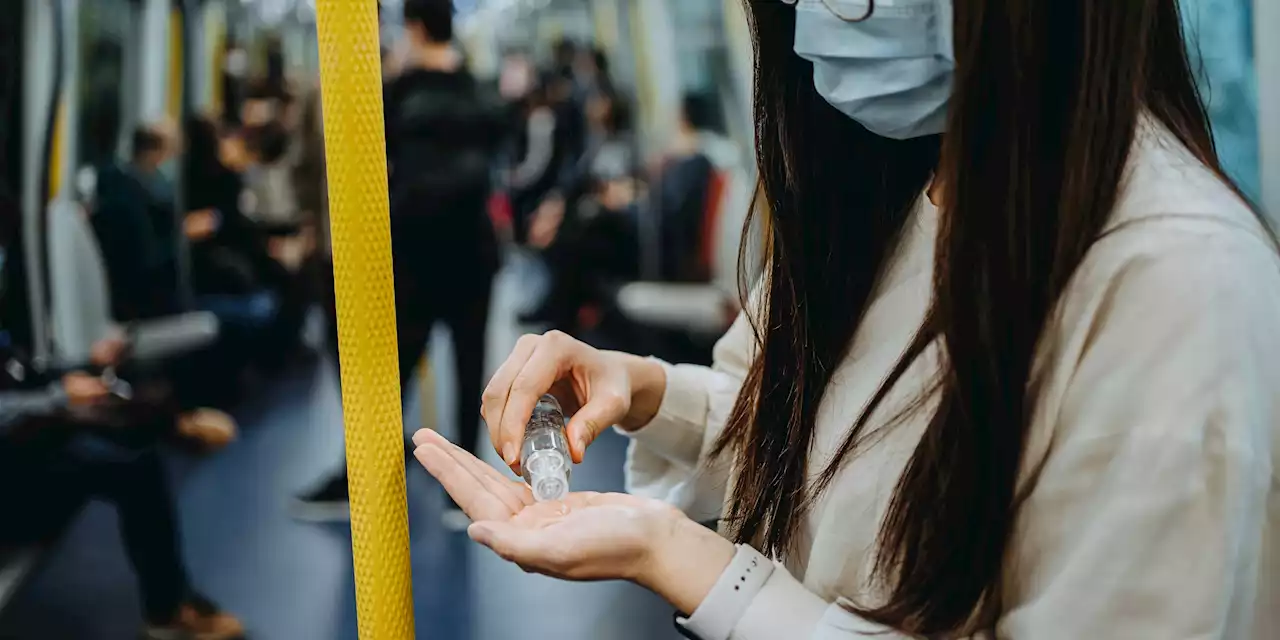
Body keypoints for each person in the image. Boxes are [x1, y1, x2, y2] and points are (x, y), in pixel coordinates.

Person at [414, 1, 1280, 638]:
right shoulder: (900, 192)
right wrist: (646, 391)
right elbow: (830, 442)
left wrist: (689, 564)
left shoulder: (1179, 284)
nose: (810, 25)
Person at [294, 0, 508, 526]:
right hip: (473, 250)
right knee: (469, 368)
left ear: (412, 27)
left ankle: (361, 478)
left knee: (390, 374)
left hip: (413, 251)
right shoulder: (483, 95)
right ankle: (466, 491)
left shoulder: (396, 95)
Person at [0, 186, 245, 640]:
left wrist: (82, 366)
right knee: (132, 468)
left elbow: (19, 372)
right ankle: (167, 612)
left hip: (22, 429)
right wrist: (58, 395)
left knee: (119, 412)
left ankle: (177, 423)